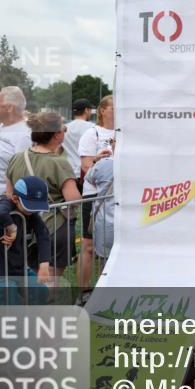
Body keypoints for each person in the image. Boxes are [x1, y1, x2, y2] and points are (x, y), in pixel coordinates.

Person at [4, 112, 81, 278]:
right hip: (54, 226)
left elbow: (9, 194)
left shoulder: (17, 158)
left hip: (25, 228)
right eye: (64, 129)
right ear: (56, 135)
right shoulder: (59, 162)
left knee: (29, 277)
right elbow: (73, 200)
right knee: (50, 278)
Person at [0, 176, 52, 305]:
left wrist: (44, 264)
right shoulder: (7, 204)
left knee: (40, 291)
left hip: (20, 269)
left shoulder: (32, 215)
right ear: (15, 199)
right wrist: (12, 228)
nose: (34, 210)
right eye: (31, 206)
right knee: (9, 302)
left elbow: (43, 236)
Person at [77, 95, 114, 292]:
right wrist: (99, 159)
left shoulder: (125, 132)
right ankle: (83, 292)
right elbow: (85, 167)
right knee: (89, 246)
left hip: (117, 197)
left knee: (110, 247)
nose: (118, 110)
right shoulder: (92, 134)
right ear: (102, 110)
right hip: (95, 196)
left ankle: (104, 290)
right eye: (114, 107)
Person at [0, 87, 32, 214]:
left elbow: (23, 171)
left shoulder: (24, 134)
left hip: (5, 199)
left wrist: (11, 197)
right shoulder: (4, 124)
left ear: (10, 107)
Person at [84, 139, 115, 263]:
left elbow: (89, 178)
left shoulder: (104, 164)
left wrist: (96, 160)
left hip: (106, 221)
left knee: (106, 265)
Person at [64, 99, 95, 190]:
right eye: (90, 110)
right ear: (86, 110)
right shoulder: (92, 127)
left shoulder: (65, 128)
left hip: (69, 172)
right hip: (86, 171)